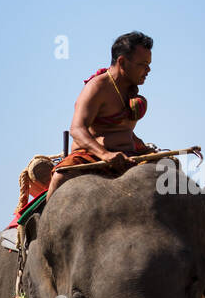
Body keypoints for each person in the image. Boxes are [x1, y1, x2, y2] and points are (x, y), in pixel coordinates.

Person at [44, 32, 177, 202]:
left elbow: (120, 129)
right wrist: (105, 154)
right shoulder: (98, 87)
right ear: (122, 62)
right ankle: (46, 227)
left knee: (171, 172)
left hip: (128, 156)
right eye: (143, 64)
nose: (148, 70)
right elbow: (77, 129)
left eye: (149, 64)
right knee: (61, 178)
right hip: (92, 157)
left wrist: (143, 148)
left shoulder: (130, 89)